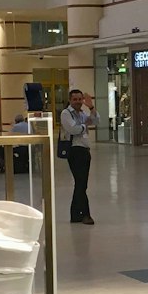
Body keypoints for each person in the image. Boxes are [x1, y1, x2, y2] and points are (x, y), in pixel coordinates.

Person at [61, 89, 97, 225]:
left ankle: (75, 214)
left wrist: (91, 107)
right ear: (70, 100)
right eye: (75, 99)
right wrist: (84, 125)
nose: (77, 102)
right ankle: (85, 214)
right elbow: (73, 129)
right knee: (81, 183)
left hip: (84, 150)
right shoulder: (66, 113)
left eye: (80, 99)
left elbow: (95, 120)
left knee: (81, 184)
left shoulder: (81, 113)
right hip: (75, 151)